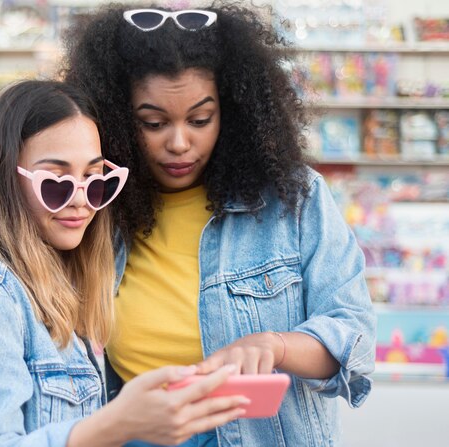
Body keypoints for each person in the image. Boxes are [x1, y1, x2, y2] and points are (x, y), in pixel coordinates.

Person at [62, 3, 377, 446]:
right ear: (115, 117)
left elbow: (354, 337)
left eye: (200, 120)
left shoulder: (294, 200)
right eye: (152, 123)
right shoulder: (97, 208)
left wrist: (276, 346)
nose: (178, 143)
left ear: (233, 111)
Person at [0, 80, 251, 447]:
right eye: (57, 183)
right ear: (5, 177)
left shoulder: (58, 287)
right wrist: (117, 424)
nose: (82, 201)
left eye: (94, 179)